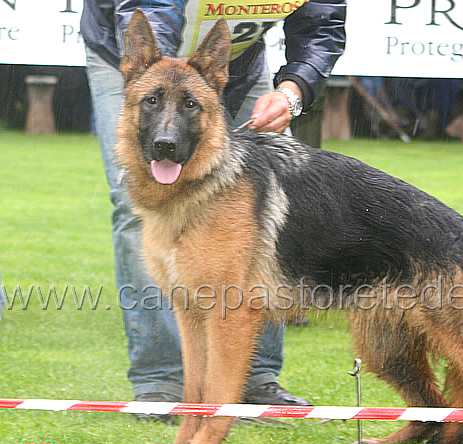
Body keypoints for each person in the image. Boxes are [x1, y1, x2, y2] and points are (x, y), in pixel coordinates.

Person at [80, 0, 346, 419]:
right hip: (143, 55)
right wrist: (168, 86)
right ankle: (160, 380)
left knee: (263, 193)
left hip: (235, 56)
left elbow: (322, 27)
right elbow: (151, 10)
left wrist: (291, 93)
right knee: (137, 206)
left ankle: (255, 377)